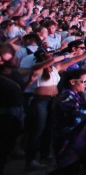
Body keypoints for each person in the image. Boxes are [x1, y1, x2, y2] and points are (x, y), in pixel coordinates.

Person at [0, 43, 27, 174]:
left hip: (15, 115)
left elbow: (19, 90)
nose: (16, 58)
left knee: (8, 148)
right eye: (12, 57)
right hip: (4, 117)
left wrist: (31, 79)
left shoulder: (15, 74)